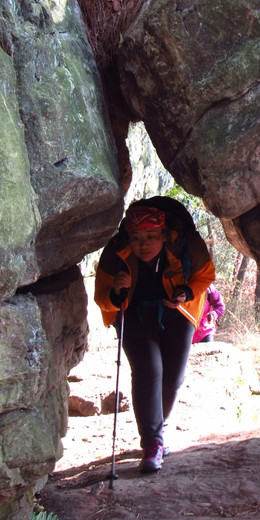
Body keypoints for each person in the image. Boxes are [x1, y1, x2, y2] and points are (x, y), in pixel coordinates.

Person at [94, 197, 215, 473]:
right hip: (134, 310)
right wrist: (116, 292)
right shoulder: (117, 252)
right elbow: (102, 297)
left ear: (163, 235)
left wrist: (185, 292)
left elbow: (205, 273)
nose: (143, 245)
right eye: (137, 238)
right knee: (149, 368)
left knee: (172, 377)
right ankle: (152, 443)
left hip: (178, 308)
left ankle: (157, 426)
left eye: (150, 237)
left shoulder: (185, 244)